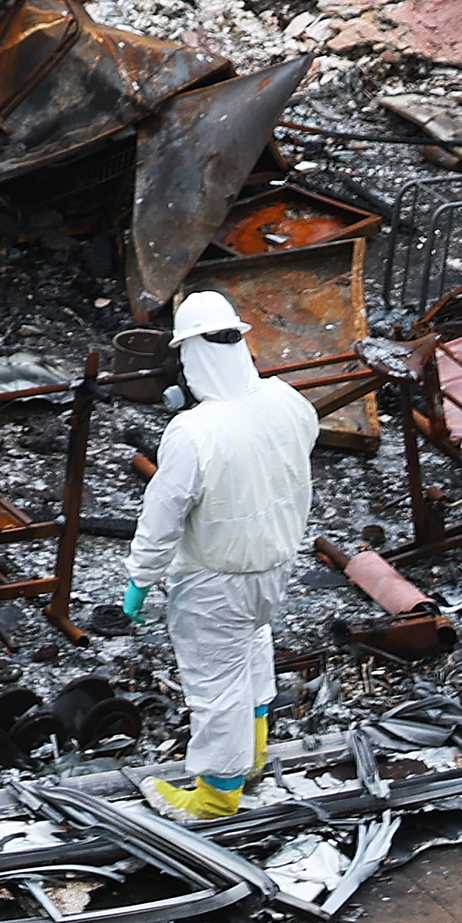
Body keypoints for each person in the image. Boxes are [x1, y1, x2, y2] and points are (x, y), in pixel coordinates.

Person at [119, 286, 320, 820]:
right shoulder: (287, 401)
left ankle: (215, 797)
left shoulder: (194, 431)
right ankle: (251, 756)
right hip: (275, 564)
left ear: (191, 356)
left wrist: (141, 578)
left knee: (216, 683)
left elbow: (162, 515)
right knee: (253, 651)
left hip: (215, 580)